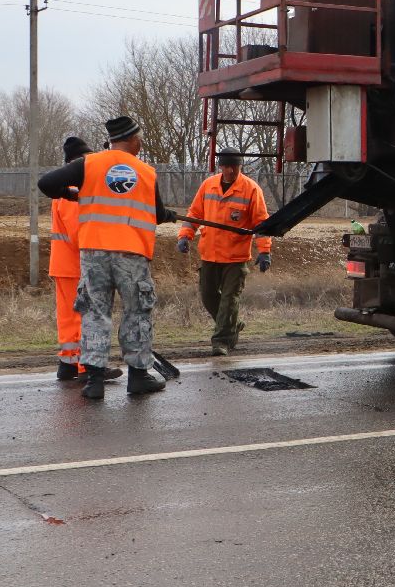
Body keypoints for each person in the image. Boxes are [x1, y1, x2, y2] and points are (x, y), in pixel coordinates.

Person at [37, 116, 177, 400]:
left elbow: (46, 183)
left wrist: (71, 194)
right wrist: (169, 216)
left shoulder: (88, 164)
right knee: (136, 313)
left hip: (94, 255)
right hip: (132, 255)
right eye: (140, 139)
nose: (141, 144)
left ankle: (94, 381)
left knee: (94, 314)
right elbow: (158, 213)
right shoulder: (146, 172)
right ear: (133, 139)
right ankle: (138, 377)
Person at [176, 150, 272, 356]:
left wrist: (264, 251)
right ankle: (233, 324)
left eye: (234, 167)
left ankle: (221, 341)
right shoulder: (208, 185)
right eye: (226, 166)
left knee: (230, 299)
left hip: (236, 258)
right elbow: (194, 213)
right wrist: (185, 235)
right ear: (220, 166)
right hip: (209, 253)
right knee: (208, 295)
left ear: (240, 166)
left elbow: (261, 223)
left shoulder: (251, 189)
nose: (229, 171)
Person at [47, 135, 123, 384]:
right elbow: (79, 233)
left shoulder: (66, 189)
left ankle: (68, 364)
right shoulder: (73, 191)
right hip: (76, 264)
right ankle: (85, 368)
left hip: (65, 265)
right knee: (81, 316)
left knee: (69, 318)